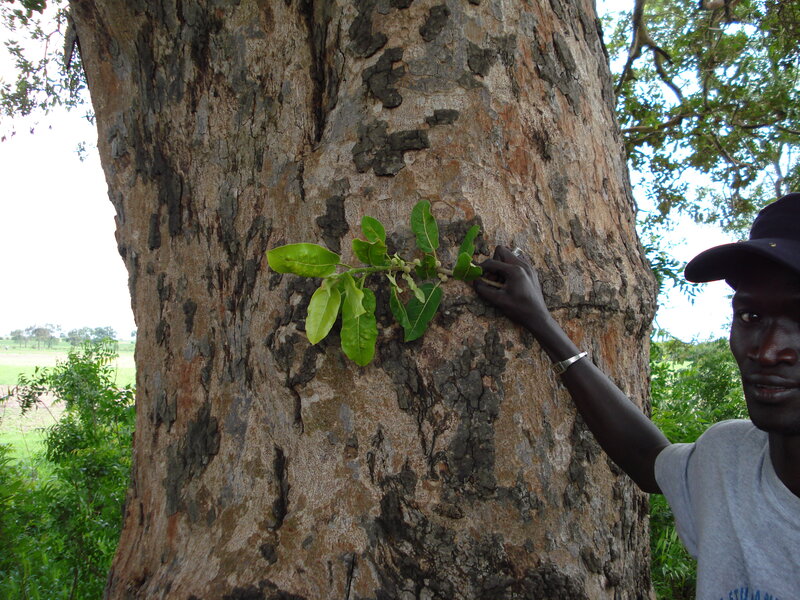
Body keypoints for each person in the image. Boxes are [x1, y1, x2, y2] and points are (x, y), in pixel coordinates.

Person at [475, 193, 800, 599]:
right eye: (751, 316)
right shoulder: (730, 458)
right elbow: (648, 461)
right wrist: (540, 322)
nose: (768, 351)